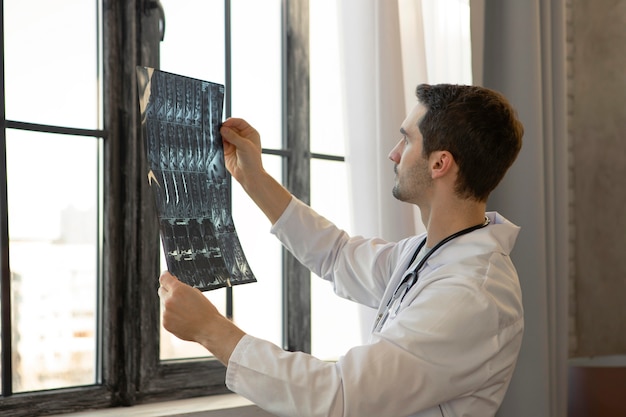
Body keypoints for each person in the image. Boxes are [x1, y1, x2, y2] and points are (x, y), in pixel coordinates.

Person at [158, 83, 525, 417]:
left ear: (439, 163)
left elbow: (340, 395)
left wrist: (212, 330)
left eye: (407, 141)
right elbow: (337, 255)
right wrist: (253, 178)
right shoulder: (430, 254)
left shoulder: (470, 294)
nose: (394, 154)